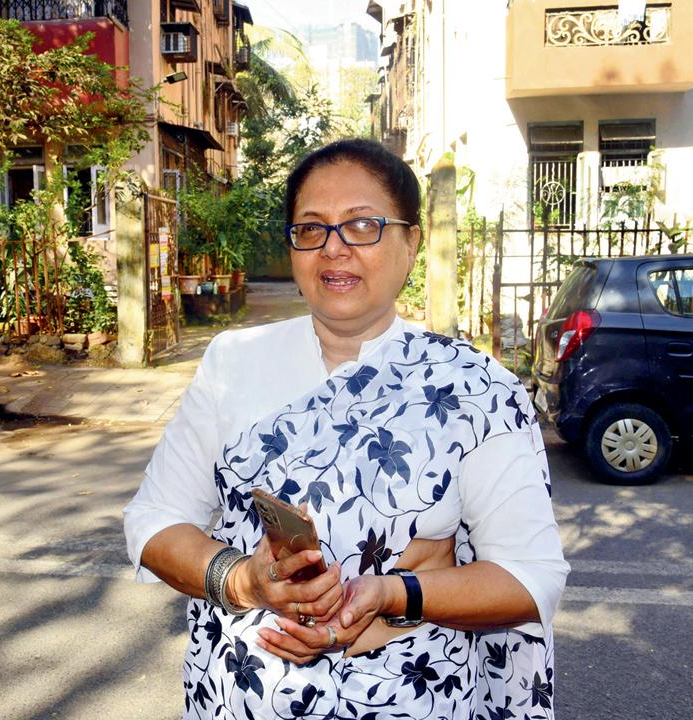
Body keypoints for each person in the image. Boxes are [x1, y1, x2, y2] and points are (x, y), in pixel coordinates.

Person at [124, 138, 568, 719]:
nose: (334, 249)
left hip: (417, 699)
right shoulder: (233, 363)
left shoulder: (477, 390)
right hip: (242, 697)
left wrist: (395, 594)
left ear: (411, 243)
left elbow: (530, 579)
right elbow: (154, 521)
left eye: (362, 225)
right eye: (311, 229)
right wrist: (243, 581)